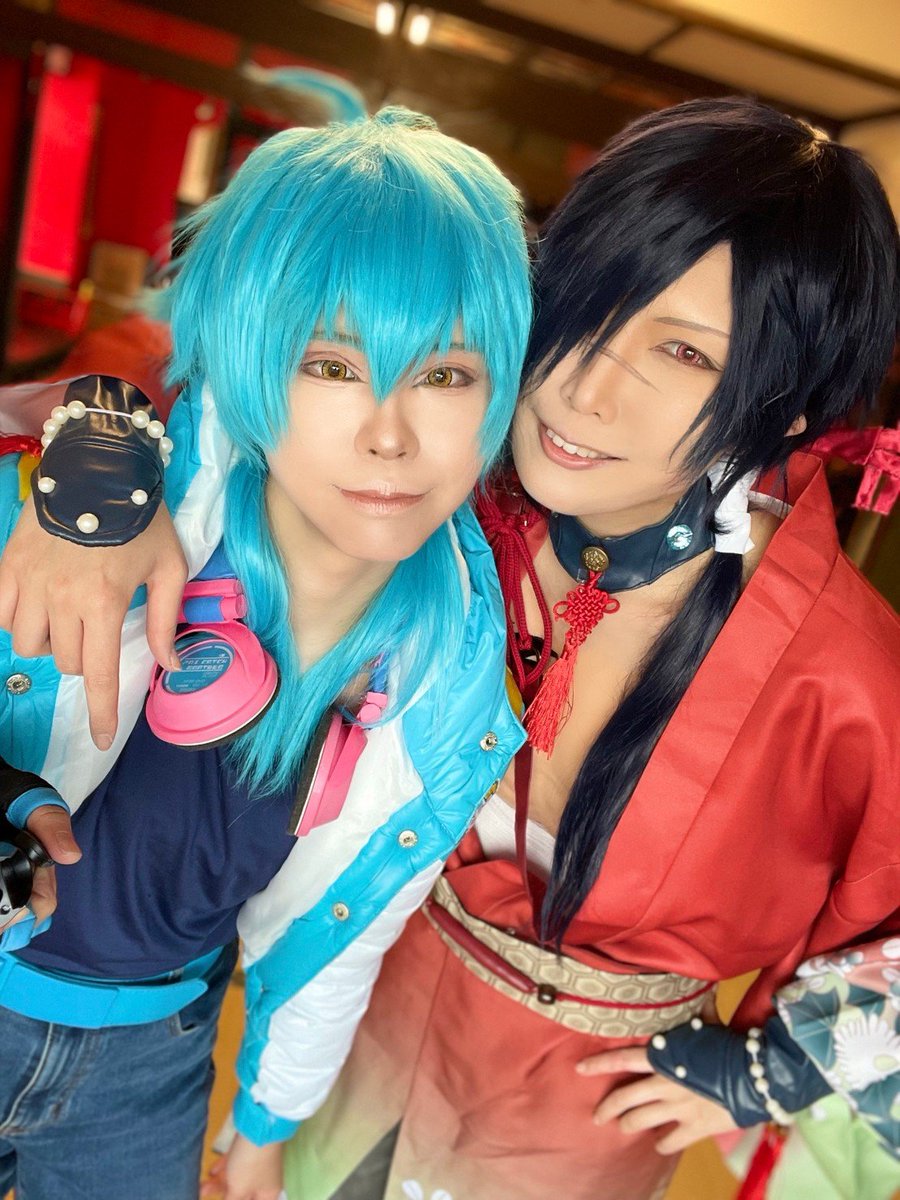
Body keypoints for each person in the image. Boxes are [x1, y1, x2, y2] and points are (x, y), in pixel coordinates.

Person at [4, 98, 900, 1200]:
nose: (584, 389)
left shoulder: (845, 673)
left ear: (792, 403)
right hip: (354, 1028)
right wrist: (100, 445)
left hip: (569, 1116)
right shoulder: (450, 504)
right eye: (585, 306)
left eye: (681, 351)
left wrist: (779, 1069)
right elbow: (238, 361)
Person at [0, 105, 531, 1200]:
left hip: (148, 1068)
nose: (389, 434)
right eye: (330, 365)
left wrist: (266, 1121)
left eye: (444, 376)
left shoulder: (447, 679)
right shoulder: (91, 509)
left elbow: (340, 934)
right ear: (248, 357)